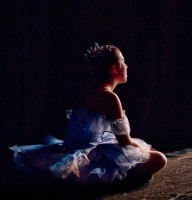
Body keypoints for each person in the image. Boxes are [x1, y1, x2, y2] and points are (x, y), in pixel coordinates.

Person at [9, 43, 167, 187]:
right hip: (85, 157)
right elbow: (124, 141)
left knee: (145, 153)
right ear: (114, 68)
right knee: (160, 158)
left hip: (80, 147)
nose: (126, 66)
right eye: (123, 61)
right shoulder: (108, 97)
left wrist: (141, 150)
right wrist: (142, 150)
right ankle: (111, 181)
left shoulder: (91, 90)